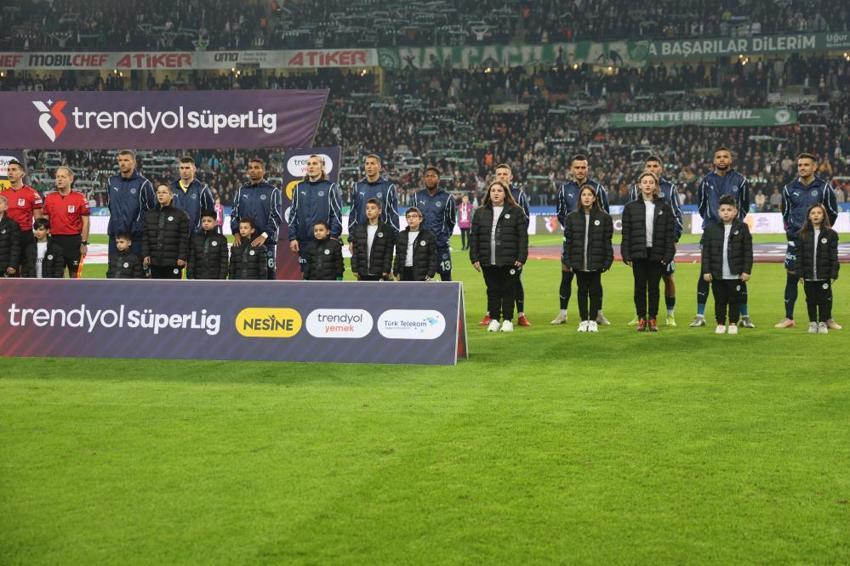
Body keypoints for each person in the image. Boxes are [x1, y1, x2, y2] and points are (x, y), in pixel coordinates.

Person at [775, 153, 840, 330]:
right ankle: (789, 318)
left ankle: (828, 319)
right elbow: (785, 213)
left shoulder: (824, 187)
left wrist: (822, 232)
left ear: (814, 167)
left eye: (806, 165)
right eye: (800, 165)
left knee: (823, 279)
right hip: (796, 241)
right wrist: (791, 232)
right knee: (791, 278)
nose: (802, 168)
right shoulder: (789, 189)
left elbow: (832, 211)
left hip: (818, 241)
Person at [691, 147, 752, 328]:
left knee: (738, 273)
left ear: (731, 160)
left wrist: (734, 223)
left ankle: (745, 316)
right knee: (706, 273)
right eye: (718, 157)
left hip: (735, 232)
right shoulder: (706, 181)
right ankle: (700, 315)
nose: (722, 159)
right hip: (711, 232)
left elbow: (745, 205)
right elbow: (701, 206)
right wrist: (713, 223)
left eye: (725, 156)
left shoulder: (740, 180)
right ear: (714, 160)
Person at [551, 154, 610, 326]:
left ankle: (598, 313)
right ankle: (563, 313)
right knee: (566, 276)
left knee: (595, 279)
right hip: (572, 241)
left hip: (593, 243)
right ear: (572, 169)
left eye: (583, 167)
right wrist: (574, 229)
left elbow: (604, 214)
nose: (580, 170)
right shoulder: (564, 189)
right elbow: (561, 214)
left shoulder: (598, 189)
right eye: (577, 167)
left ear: (587, 168)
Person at [627, 157, 683, 326]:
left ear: (661, 168)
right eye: (649, 166)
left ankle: (669, 314)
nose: (652, 168)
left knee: (667, 277)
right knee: (640, 281)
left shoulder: (670, 189)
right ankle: (641, 316)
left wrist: (672, 240)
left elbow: (677, 216)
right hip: (642, 246)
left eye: (655, 166)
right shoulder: (634, 190)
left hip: (663, 245)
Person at [469, 180, 528, 333]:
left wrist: (521, 257)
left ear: (505, 194)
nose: (495, 193)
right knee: (492, 290)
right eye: (493, 190)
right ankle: (494, 319)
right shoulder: (480, 212)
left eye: (499, 190)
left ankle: (508, 320)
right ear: (489, 193)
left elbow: (523, 237)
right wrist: (474, 257)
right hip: (488, 259)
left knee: (509, 290)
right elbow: (474, 236)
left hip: (510, 259)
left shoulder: (516, 211)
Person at [562, 184, 614, 333]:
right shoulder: (571, 217)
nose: (586, 197)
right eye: (584, 195)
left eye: (589, 195)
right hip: (578, 262)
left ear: (595, 198)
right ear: (580, 198)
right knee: (582, 291)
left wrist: (608, 260)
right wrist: (568, 260)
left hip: (596, 262)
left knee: (595, 290)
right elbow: (568, 242)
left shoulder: (604, 217)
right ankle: (583, 320)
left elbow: (607, 242)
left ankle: (593, 321)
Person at [701, 195, 753, 335]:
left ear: (735, 211)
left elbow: (748, 251)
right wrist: (706, 270)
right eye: (723, 209)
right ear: (718, 211)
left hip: (735, 273)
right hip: (717, 273)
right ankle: (720, 323)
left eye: (729, 209)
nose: (726, 212)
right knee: (719, 300)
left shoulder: (742, 228)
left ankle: (732, 323)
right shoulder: (711, 229)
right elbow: (706, 252)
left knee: (735, 300)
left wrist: (746, 271)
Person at [287, 155, 342, 273]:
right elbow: (293, 215)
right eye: (309, 164)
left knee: (325, 275)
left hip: (325, 241)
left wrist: (333, 236)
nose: (311, 166)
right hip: (303, 241)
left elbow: (336, 214)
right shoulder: (299, 187)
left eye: (315, 164)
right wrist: (292, 238)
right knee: (306, 275)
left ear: (322, 167)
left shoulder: (330, 187)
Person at [230, 157, 283, 280]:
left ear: (264, 171)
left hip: (266, 242)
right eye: (250, 168)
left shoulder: (272, 191)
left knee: (268, 275)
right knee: (242, 275)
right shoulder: (241, 191)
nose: (253, 170)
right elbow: (234, 213)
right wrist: (236, 232)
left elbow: (277, 216)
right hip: (244, 241)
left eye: (257, 168)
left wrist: (264, 235)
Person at [492, 163, 532, 326]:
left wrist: (515, 240)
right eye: (499, 173)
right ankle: (491, 313)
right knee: (493, 281)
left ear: (511, 177)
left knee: (515, 279)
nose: (502, 176)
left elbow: (526, 218)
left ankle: (521, 314)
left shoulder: (519, 195)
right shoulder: (492, 192)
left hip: (512, 247)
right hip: (494, 247)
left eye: (505, 174)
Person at [107, 150, 155, 277]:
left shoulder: (144, 184)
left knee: (137, 272)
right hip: (115, 236)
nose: (122, 163)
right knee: (113, 271)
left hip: (136, 237)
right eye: (120, 160)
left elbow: (152, 211)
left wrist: (139, 226)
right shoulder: (111, 182)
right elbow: (110, 205)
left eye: (126, 160)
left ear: (133, 162)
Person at [796, 203, 840, 334]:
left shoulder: (831, 234)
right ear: (809, 216)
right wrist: (800, 273)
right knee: (810, 299)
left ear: (823, 216)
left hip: (824, 274)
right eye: (813, 213)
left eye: (819, 213)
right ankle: (812, 323)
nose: (816, 215)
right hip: (808, 275)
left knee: (824, 300)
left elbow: (834, 256)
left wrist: (833, 273)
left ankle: (822, 323)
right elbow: (799, 256)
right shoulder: (802, 234)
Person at [42, 166, 90, 278]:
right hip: (54, 241)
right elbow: (44, 221)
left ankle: (75, 295)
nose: (59, 179)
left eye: (63, 177)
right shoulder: (49, 198)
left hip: (73, 242)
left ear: (71, 179)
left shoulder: (80, 198)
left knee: (74, 275)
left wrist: (84, 243)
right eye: (57, 177)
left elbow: (86, 222)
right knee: (55, 274)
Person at [413, 166, 457, 282]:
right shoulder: (417, 196)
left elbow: (451, 221)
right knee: (421, 278)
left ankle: (449, 300)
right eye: (427, 176)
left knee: (446, 277)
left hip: (441, 246)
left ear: (438, 179)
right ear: (423, 179)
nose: (429, 178)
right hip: (422, 246)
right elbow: (413, 218)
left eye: (433, 176)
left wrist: (444, 237)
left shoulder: (447, 198)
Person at [1, 158, 43, 274]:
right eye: (8, 170)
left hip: (26, 237)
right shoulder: (2, 195)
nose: (10, 172)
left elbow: (39, 220)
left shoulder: (32, 194)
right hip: (8, 238)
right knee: (10, 272)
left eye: (14, 170)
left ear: (22, 174)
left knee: (29, 271)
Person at [142, 185, 189, 279]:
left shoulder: (180, 215)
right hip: (154, 262)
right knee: (156, 291)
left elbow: (184, 238)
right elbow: (145, 237)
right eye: (158, 192)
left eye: (164, 192)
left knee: (173, 291)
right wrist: (145, 254)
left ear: (171, 195)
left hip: (173, 262)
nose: (160, 195)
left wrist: (182, 257)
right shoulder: (149, 215)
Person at [347, 154, 399, 240]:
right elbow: (353, 214)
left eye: (372, 163)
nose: (369, 166)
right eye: (367, 164)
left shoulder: (389, 187)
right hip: (361, 237)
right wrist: (352, 238)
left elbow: (393, 215)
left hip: (382, 237)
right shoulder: (357, 187)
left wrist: (394, 238)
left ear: (379, 167)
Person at [350, 198, 395, 281]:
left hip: (380, 273)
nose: (369, 210)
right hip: (363, 273)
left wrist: (386, 269)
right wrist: (354, 268)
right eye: (367, 208)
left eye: (373, 208)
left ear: (380, 211)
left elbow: (388, 252)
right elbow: (355, 252)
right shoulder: (358, 229)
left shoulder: (387, 230)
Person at [171, 156, 215, 234]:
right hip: (175, 236)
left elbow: (210, 214)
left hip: (196, 237)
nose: (184, 171)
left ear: (194, 169)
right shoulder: (171, 188)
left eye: (187, 168)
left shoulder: (202, 189)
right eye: (182, 168)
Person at [393, 207, 439, 282]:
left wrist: (430, 273)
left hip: (420, 273)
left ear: (420, 219)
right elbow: (398, 256)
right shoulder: (401, 235)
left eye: (414, 216)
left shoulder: (429, 236)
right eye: (408, 217)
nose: (411, 219)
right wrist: (396, 272)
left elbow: (433, 256)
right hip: (404, 272)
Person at [187, 209, 228, 280]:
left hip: (215, 279)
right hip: (197, 278)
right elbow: (191, 259)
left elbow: (224, 262)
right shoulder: (194, 238)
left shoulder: (221, 239)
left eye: (209, 221)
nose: (206, 223)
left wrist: (222, 278)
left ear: (215, 222)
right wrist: (190, 276)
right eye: (203, 221)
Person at [0, 195, 21, 277]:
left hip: (4, 267)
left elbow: (15, 247)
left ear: (6, 207)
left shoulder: (12, 224)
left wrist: (12, 265)